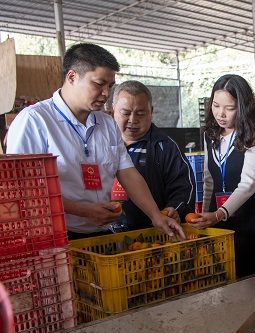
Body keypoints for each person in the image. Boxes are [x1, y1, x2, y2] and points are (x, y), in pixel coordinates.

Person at [6, 43, 184, 240]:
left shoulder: (106, 123)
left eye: (110, 86)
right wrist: (82, 210)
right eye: (99, 84)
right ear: (72, 77)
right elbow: (23, 190)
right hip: (55, 237)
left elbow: (128, 173)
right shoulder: (35, 121)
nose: (106, 93)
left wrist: (155, 215)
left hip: (102, 234)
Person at [191, 74, 255, 277]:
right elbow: (208, 179)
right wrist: (207, 214)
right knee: (217, 274)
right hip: (214, 219)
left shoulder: (254, 136)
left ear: (242, 107)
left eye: (229, 108)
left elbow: (248, 184)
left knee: (247, 277)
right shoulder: (209, 135)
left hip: (245, 218)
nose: (221, 114)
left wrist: (219, 213)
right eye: (216, 106)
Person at [111, 81, 195, 229]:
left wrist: (174, 209)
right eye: (125, 113)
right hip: (104, 232)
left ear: (151, 111)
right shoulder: (100, 143)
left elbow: (184, 189)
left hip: (152, 234)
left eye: (140, 113)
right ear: (113, 110)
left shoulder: (165, 147)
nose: (132, 120)